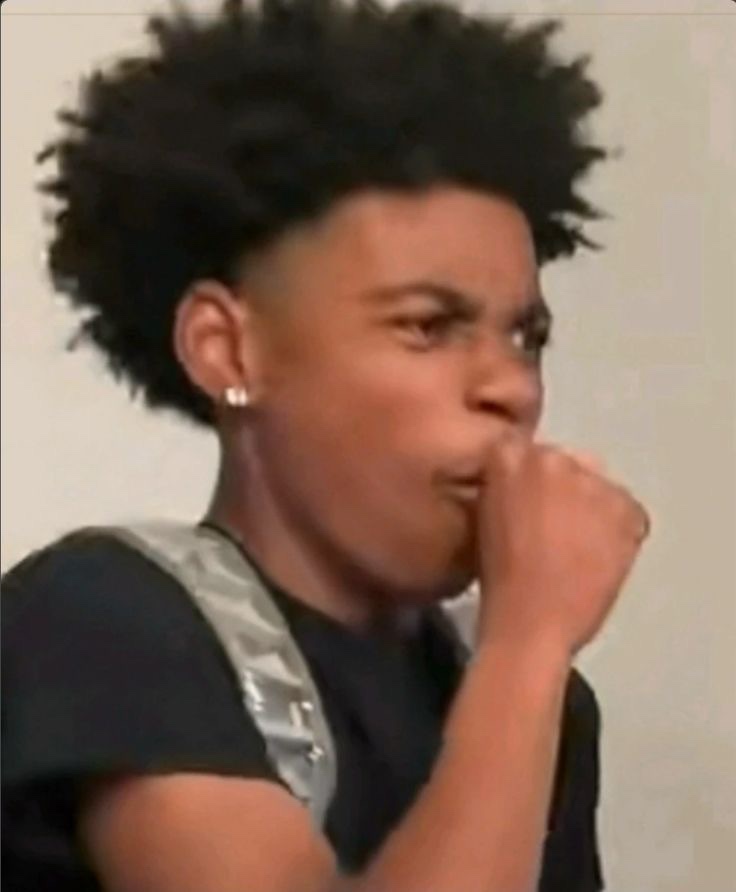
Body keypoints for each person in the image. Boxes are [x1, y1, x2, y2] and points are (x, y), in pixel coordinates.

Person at [1, 1, 651, 890]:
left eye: (525, 336)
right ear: (229, 351)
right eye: (428, 326)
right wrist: (529, 646)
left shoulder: (528, 697)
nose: (511, 386)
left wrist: (522, 665)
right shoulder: (104, 620)